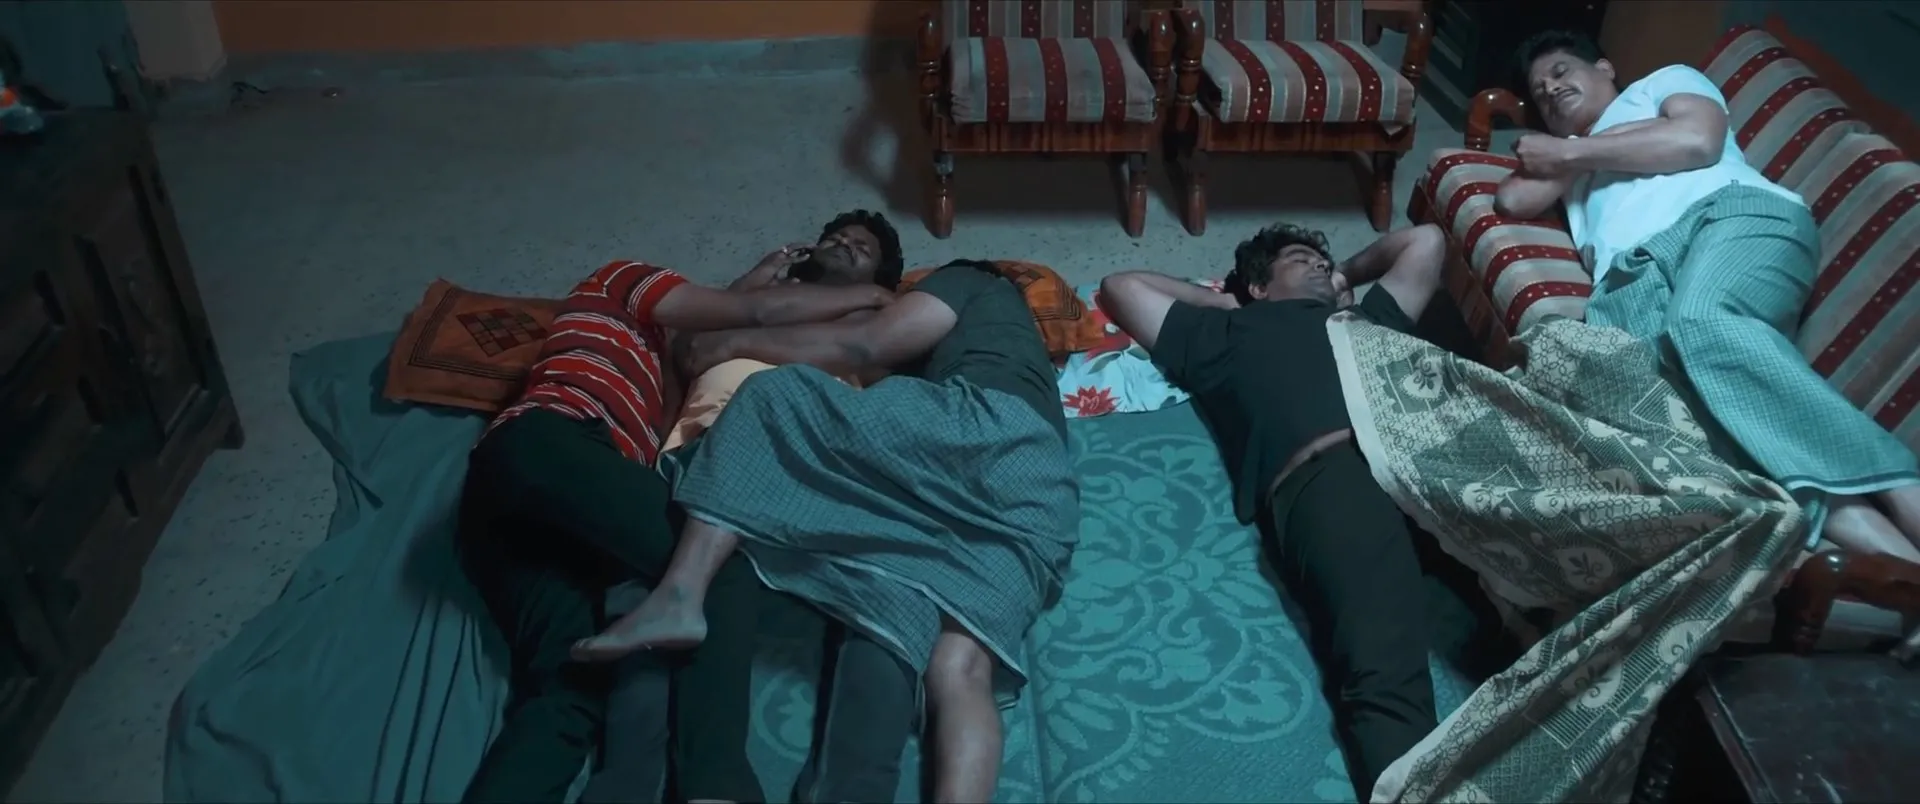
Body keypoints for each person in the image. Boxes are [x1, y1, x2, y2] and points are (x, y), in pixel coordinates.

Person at [570, 258, 1080, 803]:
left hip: (986, 433)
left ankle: (681, 593)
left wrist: (726, 345)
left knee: (774, 396)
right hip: (1042, 502)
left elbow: (868, 343)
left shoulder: (974, 282)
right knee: (957, 665)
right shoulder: (1007, 366)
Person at [456, 211, 906, 804]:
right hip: (549, 437)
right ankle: (716, 785)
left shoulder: (670, 375)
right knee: (714, 568)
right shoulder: (619, 279)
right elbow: (744, 312)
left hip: (531, 514)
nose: (842, 245)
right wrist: (788, 282)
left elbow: (726, 333)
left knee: (568, 693)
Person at [1497, 29, 1920, 561]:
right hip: (1629, 278)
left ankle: (1902, 487)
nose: (1552, 90)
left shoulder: (1661, 84)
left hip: (1727, 215)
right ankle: (1901, 570)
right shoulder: (1572, 158)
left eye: (1561, 73)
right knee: (1689, 422)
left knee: (1701, 322)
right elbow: (1513, 199)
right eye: (1540, 93)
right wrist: (1574, 151)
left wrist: (1570, 150)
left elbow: (1697, 141)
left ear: (1605, 68)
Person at [1097, 222, 1448, 800]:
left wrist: (1343, 276)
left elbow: (1427, 240)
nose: (1319, 265)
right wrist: (1223, 300)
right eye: (1300, 259)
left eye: (1322, 260)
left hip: (1431, 467)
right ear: (1258, 287)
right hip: (1334, 476)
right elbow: (1120, 286)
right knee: (1384, 666)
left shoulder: (1364, 322)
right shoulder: (1225, 332)